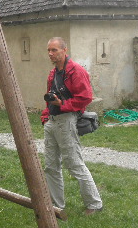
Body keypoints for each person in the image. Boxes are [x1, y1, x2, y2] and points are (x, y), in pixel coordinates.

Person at [40, 37, 103, 215]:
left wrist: (63, 105)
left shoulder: (76, 71)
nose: (51, 54)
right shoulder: (53, 73)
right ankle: (56, 205)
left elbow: (85, 97)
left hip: (67, 119)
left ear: (64, 50)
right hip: (52, 121)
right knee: (51, 166)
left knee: (74, 164)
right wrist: (46, 116)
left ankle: (94, 204)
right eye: (49, 51)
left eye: (54, 50)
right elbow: (49, 98)